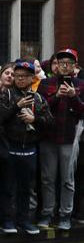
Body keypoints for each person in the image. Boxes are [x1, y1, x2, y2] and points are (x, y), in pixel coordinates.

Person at [0, 60, 54, 235]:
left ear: (32, 78)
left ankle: (23, 219)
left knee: (26, 187)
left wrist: (35, 119)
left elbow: (50, 122)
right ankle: (6, 220)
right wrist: (16, 107)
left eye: (24, 77)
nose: (19, 79)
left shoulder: (38, 98)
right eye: (17, 76)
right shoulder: (7, 94)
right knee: (7, 186)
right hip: (10, 147)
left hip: (30, 149)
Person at [35, 48, 83, 231]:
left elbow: (82, 111)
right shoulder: (45, 84)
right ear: (56, 65)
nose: (65, 66)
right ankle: (47, 213)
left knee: (67, 180)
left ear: (74, 66)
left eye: (69, 63)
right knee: (47, 179)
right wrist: (57, 96)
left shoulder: (81, 85)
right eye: (61, 62)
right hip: (48, 137)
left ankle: (65, 215)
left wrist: (74, 96)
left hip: (70, 139)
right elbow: (40, 109)